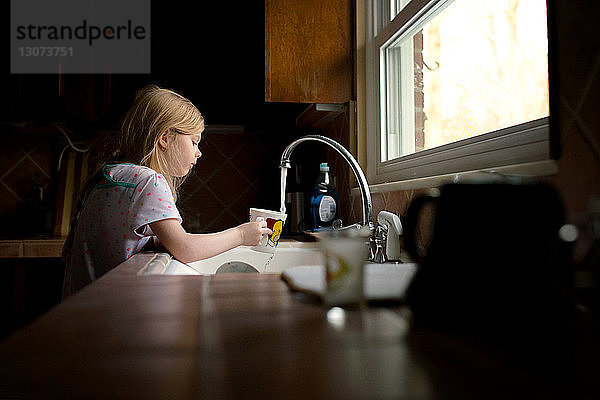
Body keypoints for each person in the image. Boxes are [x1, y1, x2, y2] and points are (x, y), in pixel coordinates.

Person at [62, 85, 271, 297]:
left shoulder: (112, 174)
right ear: (164, 138)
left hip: (83, 310)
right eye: (194, 142)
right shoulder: (149, 181)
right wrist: (241, 234)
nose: (199, 153)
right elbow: (185, 248)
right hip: (114, 312)